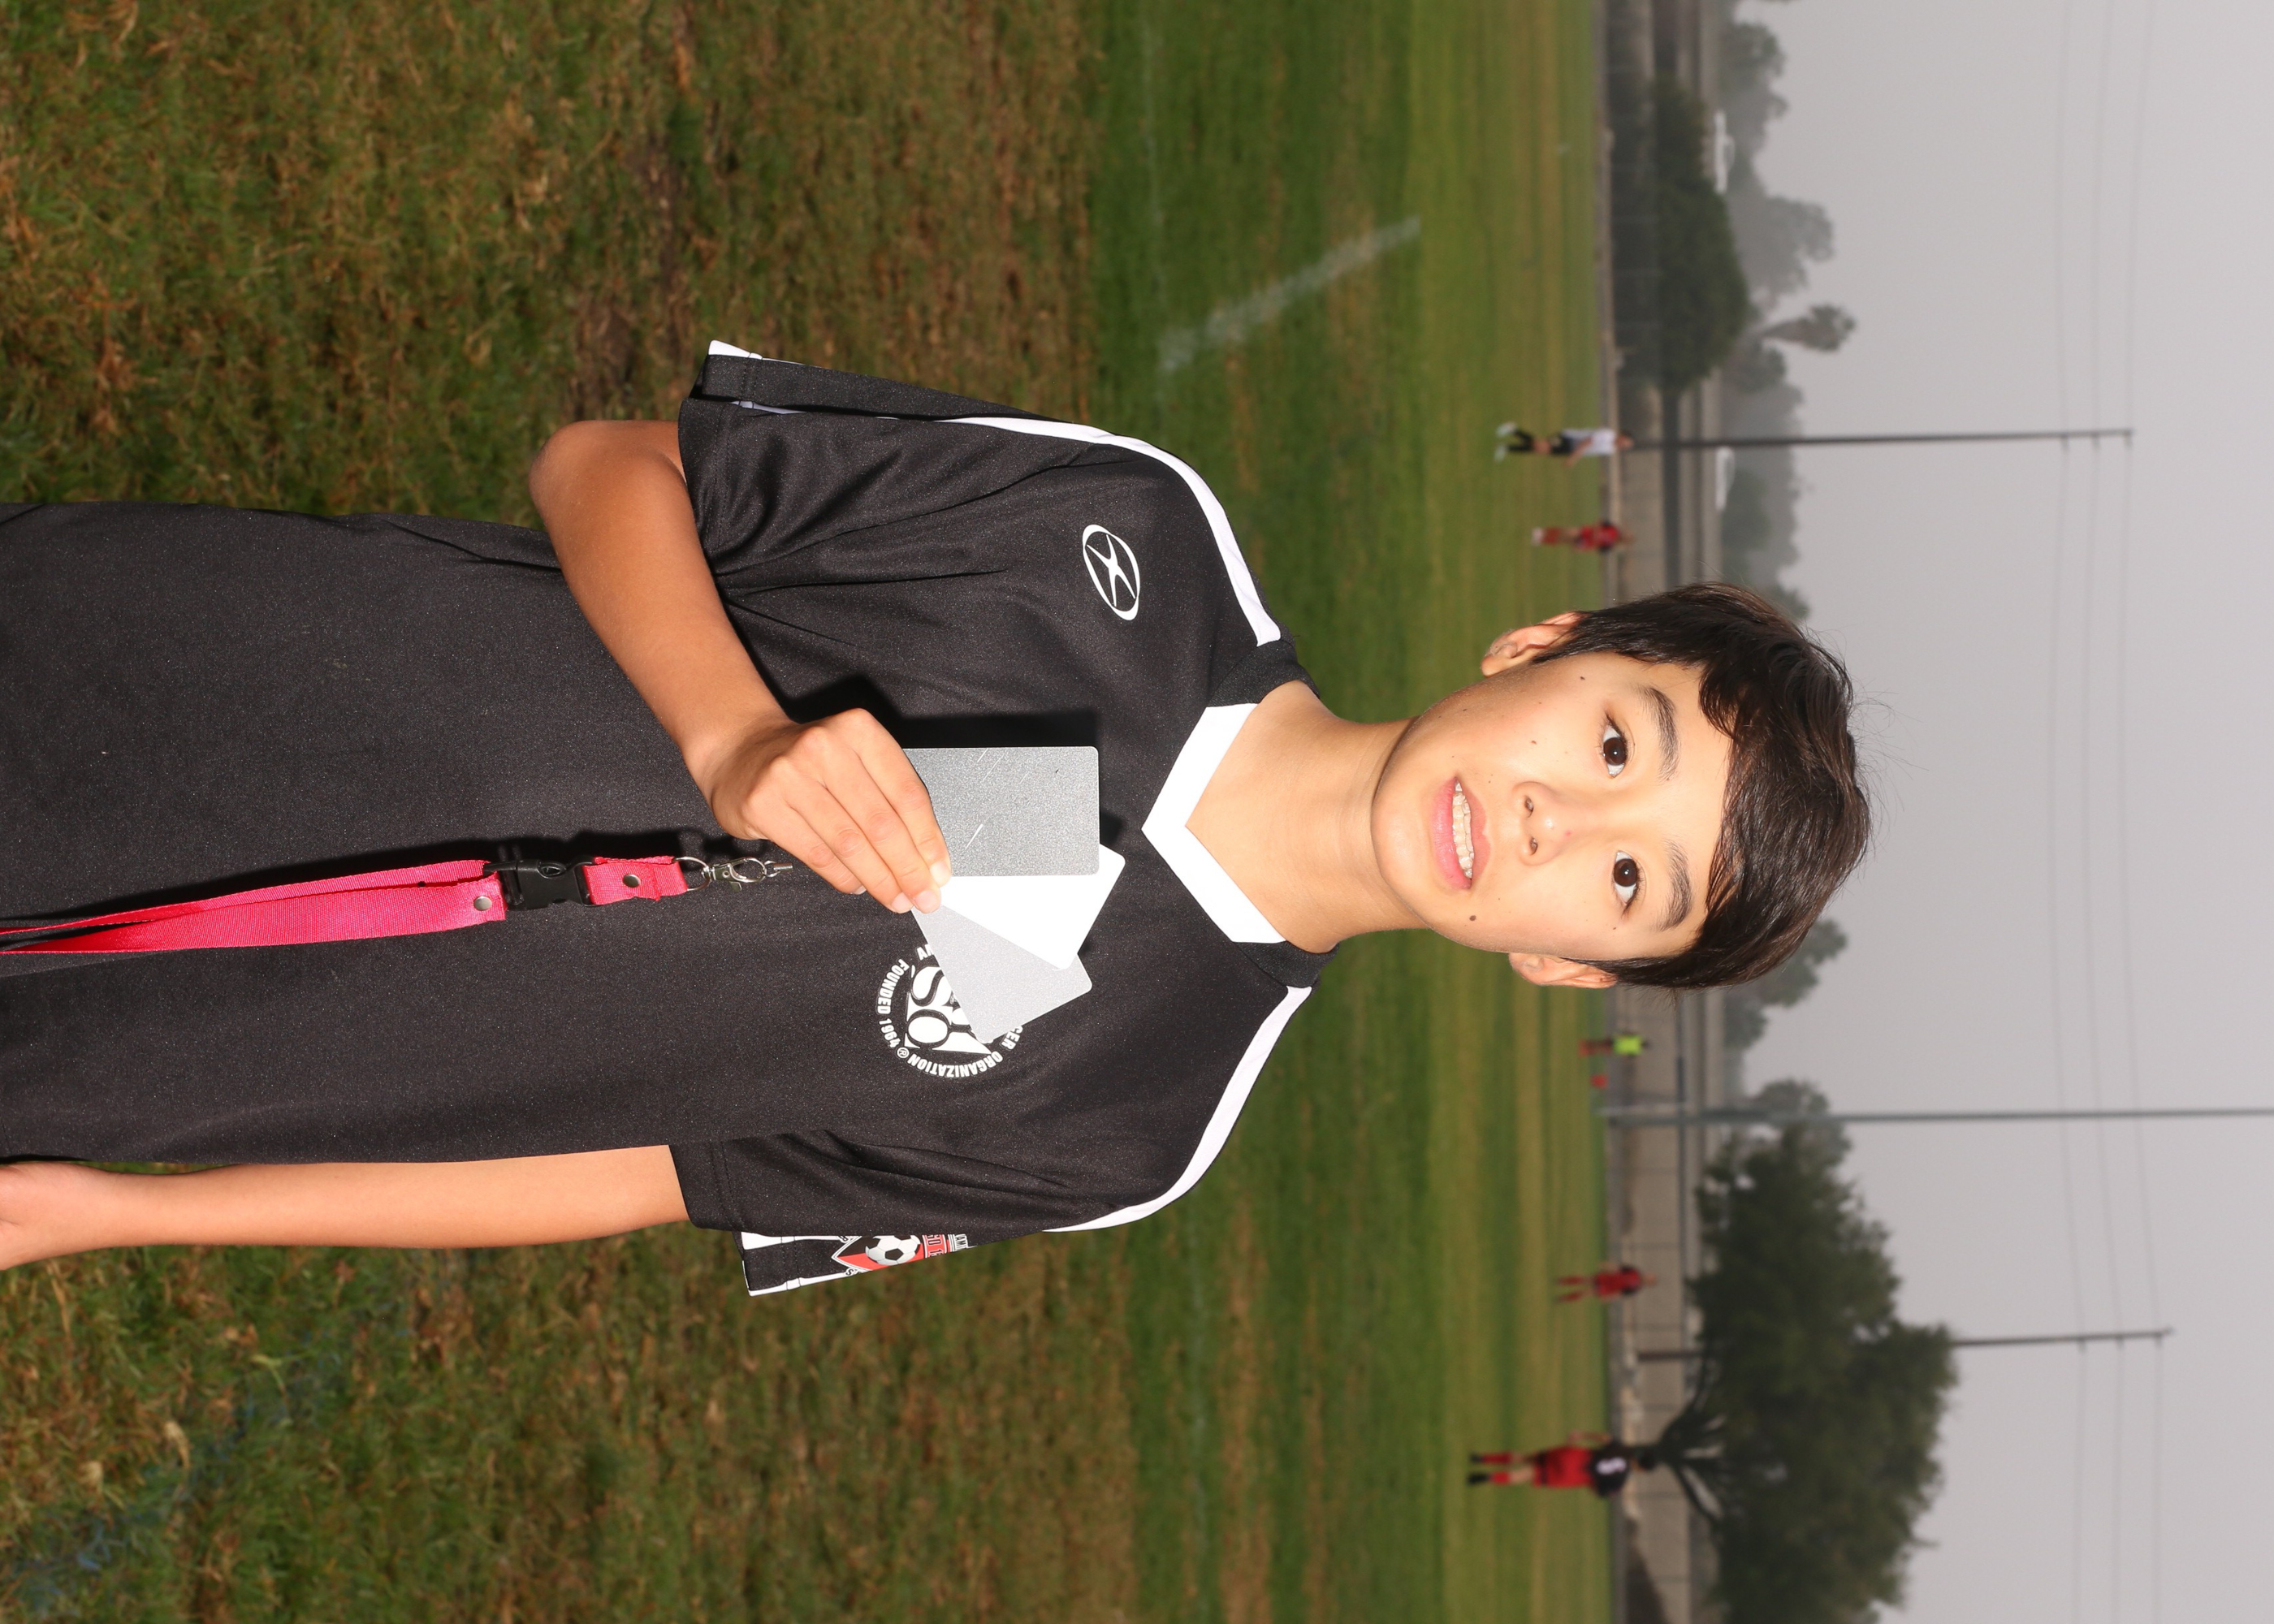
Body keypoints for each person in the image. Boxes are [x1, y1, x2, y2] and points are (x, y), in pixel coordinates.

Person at [0, 348, 1869, 1294]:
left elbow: (633, 1174)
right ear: (1543, 644)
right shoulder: (1131, 536)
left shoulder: (1135, 1119)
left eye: (1625, 876)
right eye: (1611, 737)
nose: (1548, 818)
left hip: (143, 1057)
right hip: (138, 671)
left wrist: (104, 1213)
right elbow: (606, 464)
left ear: (1566, 963)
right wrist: (736, 733)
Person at [1468, 1435, 1651, 1494]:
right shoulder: (1619, 1482)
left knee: (1526, 1458)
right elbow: (1599, 1491)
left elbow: (1604, 1438)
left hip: (1571, 1456)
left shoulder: (1622, 1449)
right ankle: (1488, 1477)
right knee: (1526, 1474)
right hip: (1572, 1475)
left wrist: (1583, 1435)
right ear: (1642, 1470)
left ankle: (1481, 1459)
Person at [1494, 424, 1633, 463]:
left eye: (1625, 447)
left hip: (1570, 449)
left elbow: (1591, 451)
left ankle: (1506, 448)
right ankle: (1511, 429)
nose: (1623, 446)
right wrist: (1574, 458)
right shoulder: (1608, 434)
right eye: (1624, 443)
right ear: (1622, 436)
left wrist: (1573, 455)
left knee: (1538, 449)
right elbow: (1587, 442)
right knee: (1539, 446)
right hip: (1569, 438)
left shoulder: (1611, 450)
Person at [1555, 1263, 1655, 1302]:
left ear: (1648, 1284)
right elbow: (1618, 1268)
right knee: (1585, 1280)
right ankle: (1562, 1281)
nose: (1648, 1277)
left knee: (1586, 1293)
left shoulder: (1635, 1288)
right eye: (1649, 1276)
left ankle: (1563, 1298)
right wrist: (1607, 1267)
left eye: (1650, 1279)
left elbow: (1620, 1293)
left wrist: (1608, 1298)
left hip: (1608, 1288)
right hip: (1607, 1278)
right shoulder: (1634, 1271)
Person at [1530, 524, 1625, 552]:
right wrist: (1596, 531)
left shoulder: (1611, 545)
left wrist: (1582, 549)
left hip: (1585, 542)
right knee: (1565, 532)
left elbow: (1596, 548)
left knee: (1562, 540)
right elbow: (1600, 523)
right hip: (1585, 532)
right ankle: (1542, 532)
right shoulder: (1613, 529)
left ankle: (1541, 540)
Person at [1578, 1031, 1647, 1058]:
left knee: (1601, 1044)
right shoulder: (1637, 1050)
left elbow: (1627, 1034)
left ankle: (1587, 1046)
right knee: (1602, 1047)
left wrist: (1621, 1036)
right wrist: (1623, 1053)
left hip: (1617, 1043)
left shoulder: (1637, 1038)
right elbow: (1628, 1055)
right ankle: (1587, 1049)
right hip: (1617, 1047)